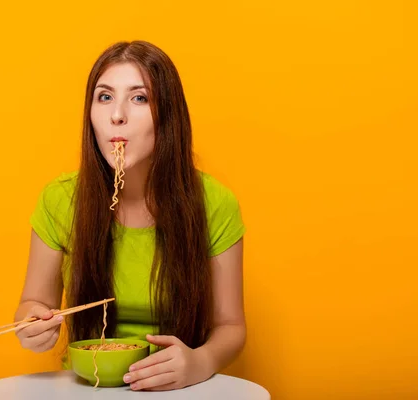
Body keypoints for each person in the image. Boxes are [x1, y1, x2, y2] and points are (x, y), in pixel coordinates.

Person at [13, 40, 247, 391]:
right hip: (87, 385)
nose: (116, 114)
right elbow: (34, 303)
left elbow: (231, 326)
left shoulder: (213, 201)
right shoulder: (60, 199)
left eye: (139, 98)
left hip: (179, 388)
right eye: (104, 97)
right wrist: (32, 325)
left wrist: (201, 361)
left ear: (168, 114)